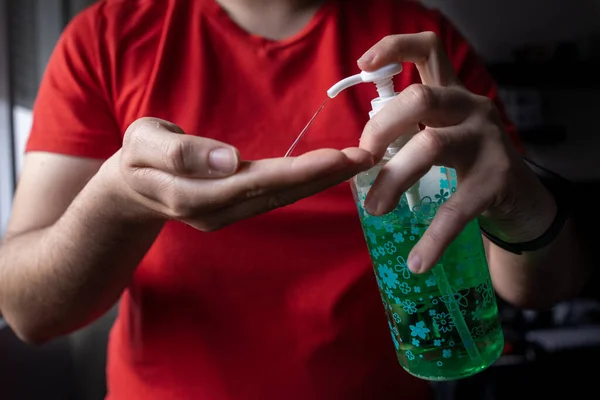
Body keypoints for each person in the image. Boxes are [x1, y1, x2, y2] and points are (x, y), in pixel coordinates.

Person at [0, 0, 592, 399]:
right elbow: (29, 312)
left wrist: (518, 202)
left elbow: (539, 287)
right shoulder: (107, 38)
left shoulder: (418, 44)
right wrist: (120, 201)